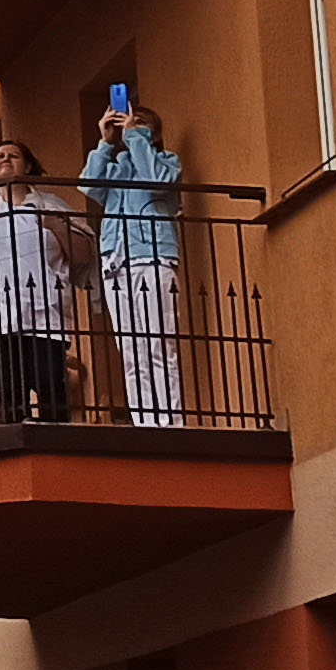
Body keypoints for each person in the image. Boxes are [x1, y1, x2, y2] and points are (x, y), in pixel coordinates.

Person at [0, 134, 93, 429]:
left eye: (13, 155)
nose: (5, 159)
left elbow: (83, 254)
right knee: (11, 385)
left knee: (50, 379)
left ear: (27, 165)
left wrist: (55, 226)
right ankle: (19, 432)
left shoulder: (51, 206)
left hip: (43, 309)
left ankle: (57, 437)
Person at [83, 87, 189, 427]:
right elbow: (89, 186)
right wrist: (105, 142)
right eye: (127, 119)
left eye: (139, 122)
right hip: (117, 262)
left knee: (159, 344)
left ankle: (169, 422)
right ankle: (145, 422)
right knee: (131, 349)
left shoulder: (167, 162)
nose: (129, 124)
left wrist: (136, 138)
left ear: (150, 132)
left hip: (153, 258)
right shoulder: (118, 168)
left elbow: (158, 182)